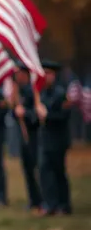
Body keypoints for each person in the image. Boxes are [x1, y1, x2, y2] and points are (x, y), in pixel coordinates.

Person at [38, 60, 72, 215]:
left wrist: (48, 116)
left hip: (58, 140)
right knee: (45, 172)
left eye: (48, 73)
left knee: (59, 172)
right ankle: (50, 203)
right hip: (45, 140)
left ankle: (64, 204)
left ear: (54, 75)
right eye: (44, 73)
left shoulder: (61, 93)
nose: (46, 76)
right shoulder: (41, 94)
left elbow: (64, 116)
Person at [12, 62, 44, 212]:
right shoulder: (18, 92)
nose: (18, 77)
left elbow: (37, 116)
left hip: (35, 136)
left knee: (37, 168)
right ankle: (33, 200)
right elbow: (15, 114)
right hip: (23, 137)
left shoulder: (33, 91)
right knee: (27, 169)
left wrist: (25, 113)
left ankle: (42, 198)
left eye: (20, 74)